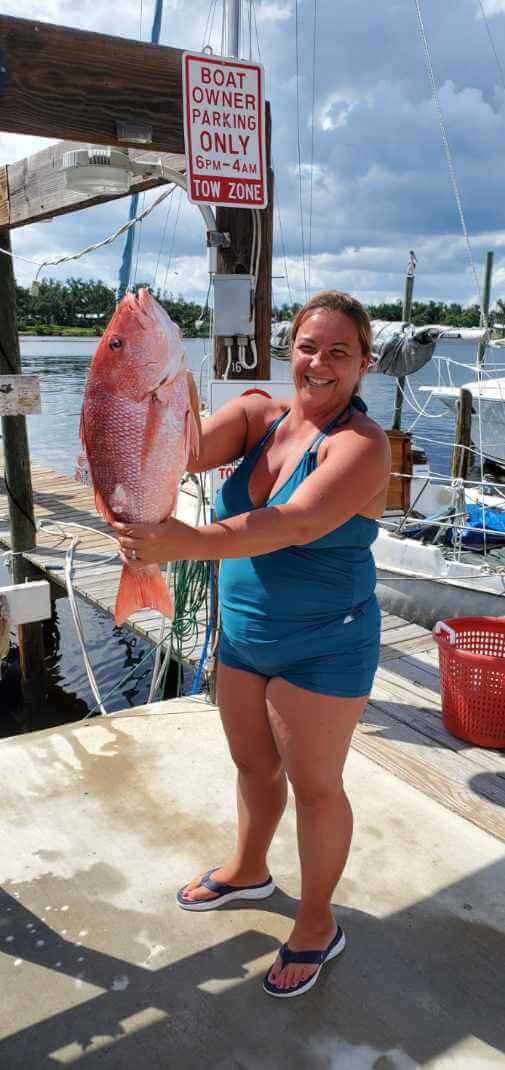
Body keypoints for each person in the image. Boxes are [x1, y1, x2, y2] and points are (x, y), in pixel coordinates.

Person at [112, 290, 391, 999]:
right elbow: (183, 449)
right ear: (286, 351)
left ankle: (316, 923)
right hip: (244, 636)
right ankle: (247, 868)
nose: (318, 363)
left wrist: (180, 542)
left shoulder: (361, 446)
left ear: (362, 364)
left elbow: (293, 522)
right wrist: (139, 394)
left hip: (324, 646)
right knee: (250, 764)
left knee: (316, 787)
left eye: (338, 352)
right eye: (307, 346)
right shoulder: (258, 415)